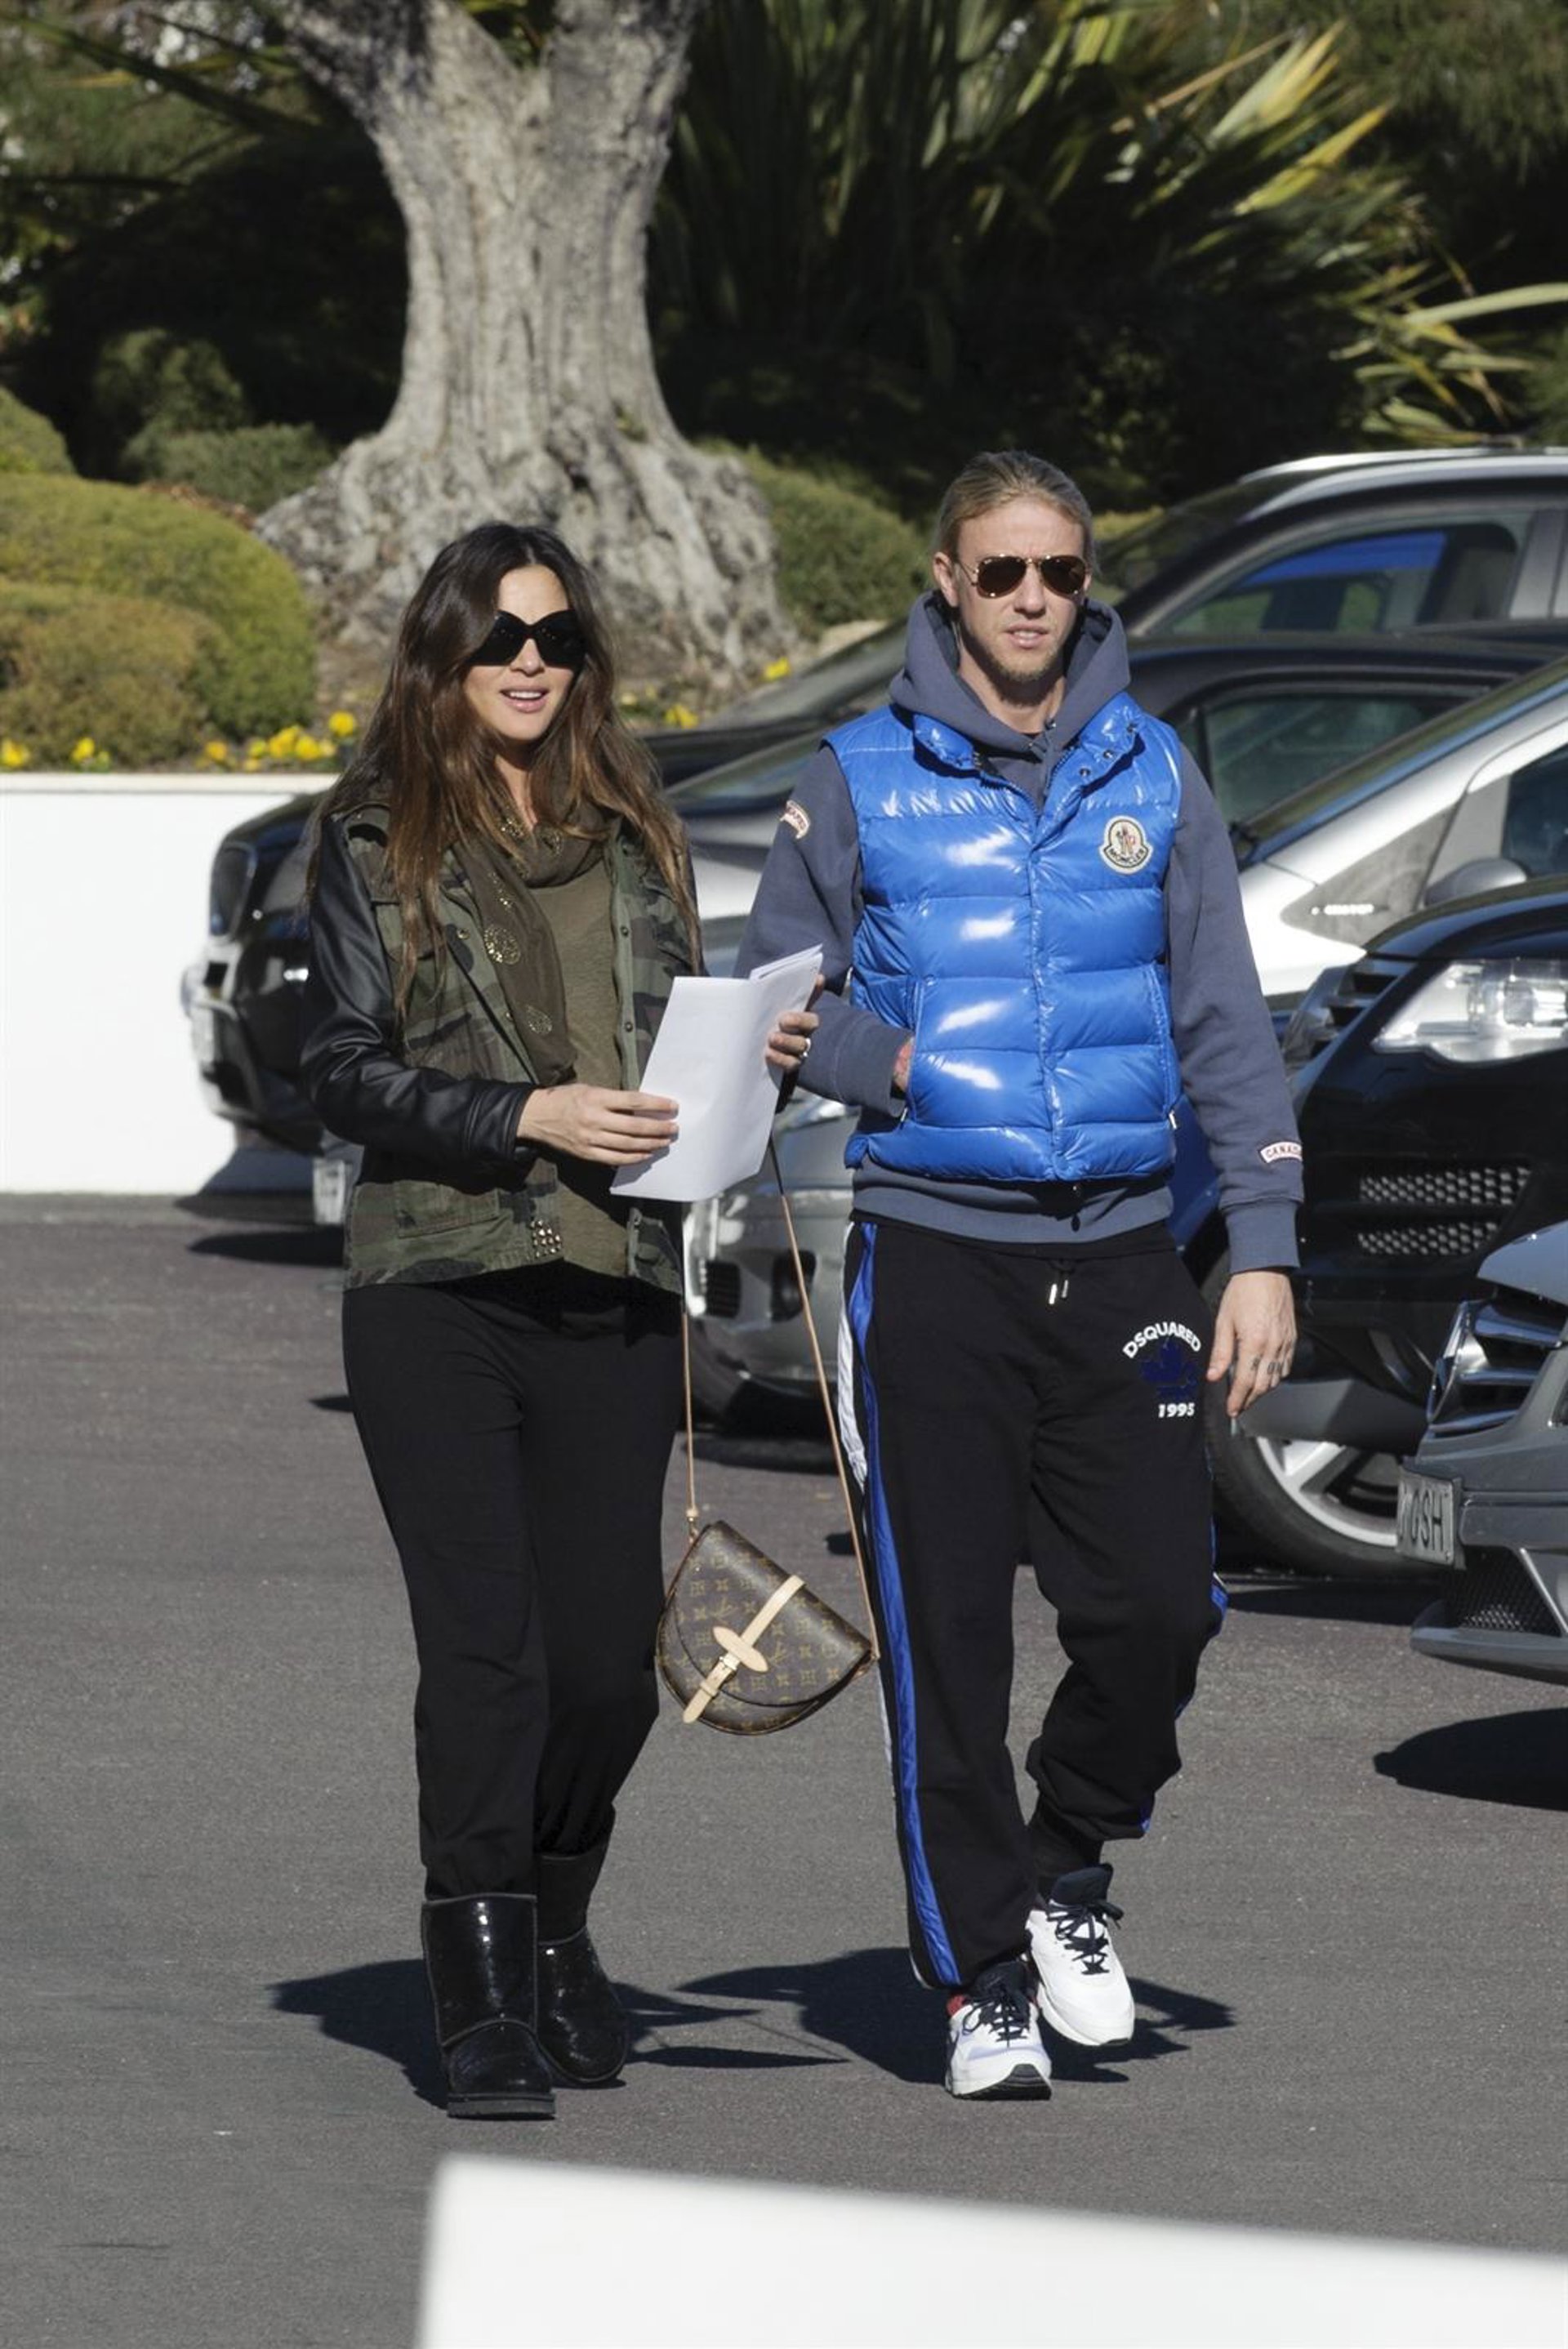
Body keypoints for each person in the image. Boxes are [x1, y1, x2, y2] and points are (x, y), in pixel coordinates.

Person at [736, 451, 1300, 2101]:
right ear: (946, 579)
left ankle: (1066, 1862)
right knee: (950, 1648)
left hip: (1122, 1249)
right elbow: (771, 1002)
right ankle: (981, 1979)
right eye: (1002, 572)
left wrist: (1262, 1249)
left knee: (1160, 1606)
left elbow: (1224, 1020)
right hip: (935, 1257)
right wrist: (887, 1061)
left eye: (1061, 570)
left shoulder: (1154, 769)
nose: (1035, 598)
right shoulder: (855, 776)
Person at [300, 521, 812, 2119]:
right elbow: (338, 1068)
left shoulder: (635, 835)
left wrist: (751, 1067)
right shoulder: (373, 834)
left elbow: (673, 1063)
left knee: (601, 1669)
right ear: (443, 657)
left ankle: (558, 1921)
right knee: (489, 1658)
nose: (531, 662)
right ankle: (481, 1990)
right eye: (500, 638)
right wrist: (525, 1112)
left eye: (559, 638)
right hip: (438, 1287)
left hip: (613, 1286)